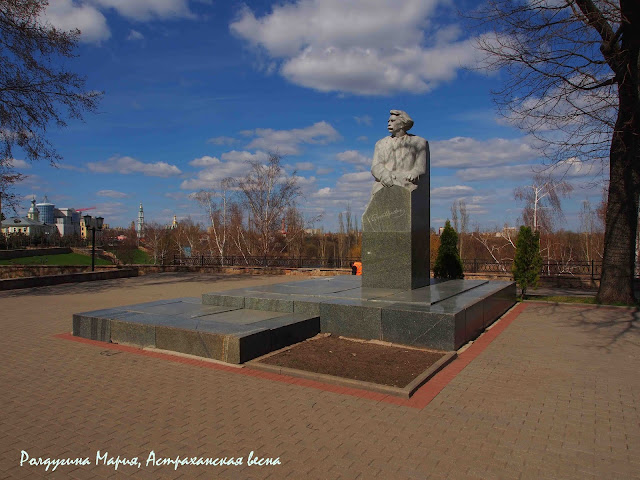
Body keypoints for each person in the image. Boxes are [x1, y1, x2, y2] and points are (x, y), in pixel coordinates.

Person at [370, 110, 429, 196]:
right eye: (388, 121)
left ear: (402, 124)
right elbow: (376, 166)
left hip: (408, 182)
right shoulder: (381, 143)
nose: (389, 123)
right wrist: (384, 176)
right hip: (386, 181)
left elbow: (421, 167)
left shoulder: (419, 142)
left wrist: (414, 173)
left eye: (392, 121)